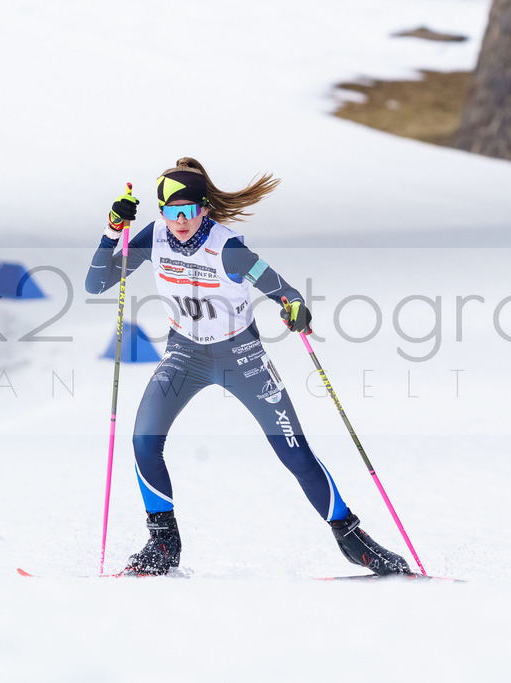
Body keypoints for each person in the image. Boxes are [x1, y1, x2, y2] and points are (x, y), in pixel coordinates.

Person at [85, 157, 410, 576]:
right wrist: (113, 229)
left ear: (203, 209)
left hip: (241, 358)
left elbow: (280, 287)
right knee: (144, 442)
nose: (179, 222)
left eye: (187, 211)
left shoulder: (227, 248)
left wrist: (294, 306)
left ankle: (353, 539)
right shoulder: (154, 238)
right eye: (170, 212)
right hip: (184, 356)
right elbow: (97, 283)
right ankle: (163, 544)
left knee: (294, 453)